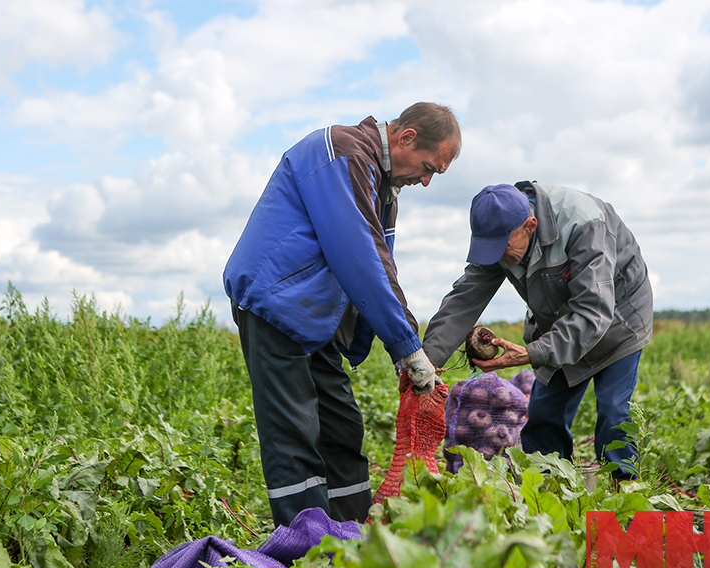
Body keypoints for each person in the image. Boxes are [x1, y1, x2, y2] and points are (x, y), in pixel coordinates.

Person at [223, 103, 461, 527]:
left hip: (316, 321)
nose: (425, 181)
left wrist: (391, 348)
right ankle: (307, 555)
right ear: (405, 138)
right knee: (294, 435)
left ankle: (353, 537)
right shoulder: (341, 153)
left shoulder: (383, 188)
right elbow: (358, 257)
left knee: (342, 428)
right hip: (275, 307)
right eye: (428, 168)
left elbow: (382, 266)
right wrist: (407, 346)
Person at [422, 181, 653, 481]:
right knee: (544, 416)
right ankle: (551, 494)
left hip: (618, 322)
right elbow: (465, 298)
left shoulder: (583, 225)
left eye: (503, 248)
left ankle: (625, 498)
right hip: (558, 324)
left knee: (613, 413)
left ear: (530, 225)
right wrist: (429, 359)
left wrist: (531, 353)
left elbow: (593, 313)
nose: (498, 257)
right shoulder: (500, 236)